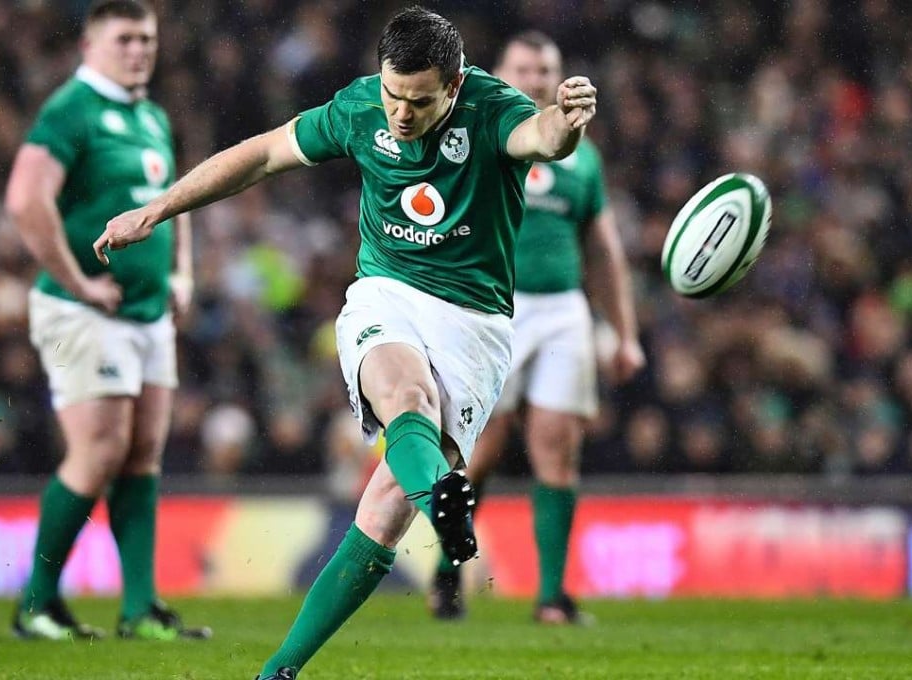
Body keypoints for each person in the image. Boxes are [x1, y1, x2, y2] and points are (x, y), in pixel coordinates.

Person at [94, 6, 597, 679]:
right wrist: (160, 206)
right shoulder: (361, 107)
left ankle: (292, 656)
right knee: (406, 397)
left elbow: (542, 139)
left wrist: (564, 122)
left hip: (475, 324)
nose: (400, 114)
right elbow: (265, 153)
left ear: (453, 85)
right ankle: (442, 503)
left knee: (385, 510)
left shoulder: (491, 106)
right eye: (393, 94)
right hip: (386, 294)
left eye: (419, 101)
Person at [4, 0, 207, 641]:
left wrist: (182, 273)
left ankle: (139, 609)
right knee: (98, 453)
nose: (139, 49)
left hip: (146, 312)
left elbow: (178, 201)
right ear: (91, 44)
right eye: (124, 38)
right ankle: (36, 605)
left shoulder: (149, 115)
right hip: (84, 311)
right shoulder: (73, 108)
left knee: (143, 455)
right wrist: (77, 281)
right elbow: (24, 198)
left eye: (146, 38)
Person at [426, 31, 646, 624]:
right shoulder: (480, 136)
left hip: (562, 313)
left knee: (558, 446)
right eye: (523, 68)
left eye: (545, 69)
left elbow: (603, 252)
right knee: (481, 451)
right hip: (491, 307)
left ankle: (551, 596)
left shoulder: (583, 157)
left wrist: (624, 333)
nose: (535, 79)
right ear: (499, 73)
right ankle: (447, 574)